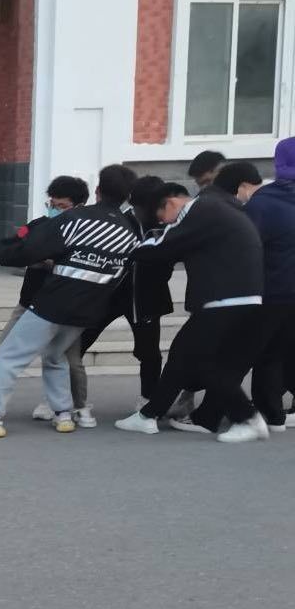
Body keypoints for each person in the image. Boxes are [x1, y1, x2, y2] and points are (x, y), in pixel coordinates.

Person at [0, 164, 140, 439]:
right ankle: (63, 414)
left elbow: (30, 249)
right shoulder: (129, 232)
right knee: (56, 357)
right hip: (89, 308)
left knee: (9, 356)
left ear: (98, 191)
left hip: (54, 301)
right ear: (127, 196)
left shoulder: (76, 219)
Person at [114, 174, 267, 443]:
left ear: (171, 202)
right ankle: (149, 415)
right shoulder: (217, 209)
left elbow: (163, 245)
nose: (164, 223)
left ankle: (247, 418)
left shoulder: (198, 209)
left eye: (161, 217)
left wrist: (128, 248)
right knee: (182, 355)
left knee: (203, 362)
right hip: (241, 299)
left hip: (225, 300)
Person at [0, 176, 91, 429]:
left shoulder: (87, 234)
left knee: (67, 361)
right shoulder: (39, 226)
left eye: (62, 206)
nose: (55, 210)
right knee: (1, 356)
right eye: (52, 204)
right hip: (30, 304)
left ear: (79, 206)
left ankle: (77, 409)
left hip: (64, 307)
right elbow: (14, 243)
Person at [76, 175, 174, 408]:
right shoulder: (119, 221)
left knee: (149, 352)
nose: (148, 213)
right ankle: (62, 399)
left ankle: (149, 401)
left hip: (147, 297)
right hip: (109, 293)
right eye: (141, 207)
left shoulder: (168, 225)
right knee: (78, 343)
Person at [241, 143, 295, 430]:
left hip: (274, 289)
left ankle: (270, 414)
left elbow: (247, 247)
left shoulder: (263, 202)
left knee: (268, 353)